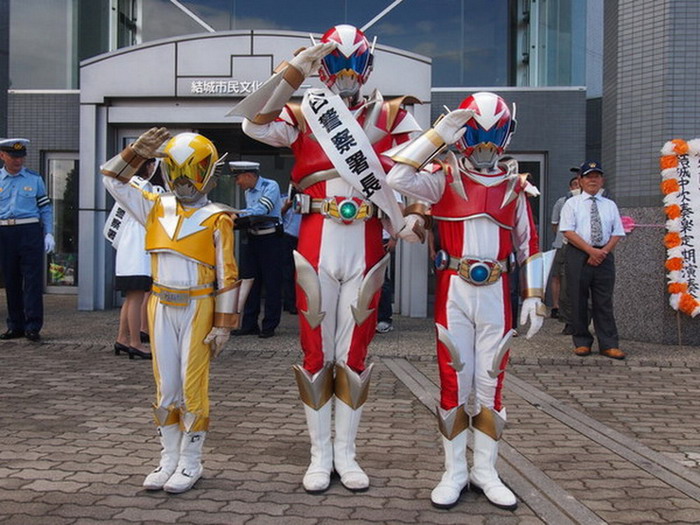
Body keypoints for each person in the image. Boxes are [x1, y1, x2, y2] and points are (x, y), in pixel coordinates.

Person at [229, 24, 424, 493]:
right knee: (316, 351)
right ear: (324, 67)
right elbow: (253, 123)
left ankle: (346, 453)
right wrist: (294, 71)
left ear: (368, 65)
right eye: (337, 64)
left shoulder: (393, 114)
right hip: (316, 235)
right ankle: (320, 454)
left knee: (354, 352)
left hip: (366, 238)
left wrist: (415, 214)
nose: (348, 74)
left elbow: (422, 168)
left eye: (355, 64)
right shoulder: (304, 111)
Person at [387, 92, 549, 511]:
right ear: (463, 135)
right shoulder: (442, 177)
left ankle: (486, 471)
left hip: (496, 291)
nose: (485, 148)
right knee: (454, 381)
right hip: (454, 289)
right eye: (477, 136)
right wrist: (437, 135)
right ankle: (454, 471)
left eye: (494, 137)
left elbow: (528, 243)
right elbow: (397, 176)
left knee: (491, 382)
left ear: (507, 135)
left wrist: (534, 295)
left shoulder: (514, 185)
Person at [101, 128, 243, 494]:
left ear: (208, 173)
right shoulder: (154, 206)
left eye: (192, 172)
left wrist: (224, 324)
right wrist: (135, 153)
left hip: (199, 305)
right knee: (166, 386)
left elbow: (228, 273)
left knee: (192, 385)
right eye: (177, 171)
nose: (184, 182)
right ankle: (169, 457)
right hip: (161, 304)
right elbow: (111, 179)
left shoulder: (217, 217)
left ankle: (191, 461)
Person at [559, 161, 626, 360]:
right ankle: (582, 341)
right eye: (589, 176)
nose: (593, 180)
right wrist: (590, 251)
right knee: (578, 299)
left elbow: (617, 232)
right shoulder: (572, 203)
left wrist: (602, 252)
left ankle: (609, 344)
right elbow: (567, 231)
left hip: (604, 254)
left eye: (597, 176)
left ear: (602, 180)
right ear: (580, 180)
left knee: (604, 301)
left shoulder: (610, 205)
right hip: (579, 253)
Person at [105, 158, 165, 359]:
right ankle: (135, 343)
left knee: (131, 298)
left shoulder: (130, 184)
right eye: (152, 164)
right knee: (136, 299)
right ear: (147, 166)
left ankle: (122, 338)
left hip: (128, 246)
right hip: (138, 247)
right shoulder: (143, 186)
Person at [0, 138, 55, 342]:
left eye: (21, 157)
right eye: (13, 157)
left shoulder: (34, 179)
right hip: (5, 231)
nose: (18, 161)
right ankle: (15, 325)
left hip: (29, 230)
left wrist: (49, 232)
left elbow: (45, 208)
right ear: (2, 155)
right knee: (11, 279)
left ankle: (33, 325)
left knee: (32, 280)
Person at [229, 161, 283, 338]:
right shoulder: (248, 191)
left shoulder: (270, 186)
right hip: (253, 238)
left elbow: (262, 209)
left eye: (238, 178)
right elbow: (252, 213)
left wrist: (238, 214)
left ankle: (269, 325)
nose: (237, 182)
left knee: (272, 282)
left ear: (249, 175)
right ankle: (249, 324)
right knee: (250, 281)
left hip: (271, 239)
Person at [550, 172, 580, 334]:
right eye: (574, 184)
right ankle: (562, 313)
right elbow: (555, 225)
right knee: (561, 278)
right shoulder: (563, 202)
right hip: (564, 244)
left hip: (584, 247)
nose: (577, 186)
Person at [281, 188, 301, 314]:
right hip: (288, 236)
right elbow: (276, 215)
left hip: (304, 237)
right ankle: (290, 303)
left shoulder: (308, 198)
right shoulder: (283, 198)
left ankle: (299, 302)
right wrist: (286, 206)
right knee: (288, 271)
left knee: (301, 271)